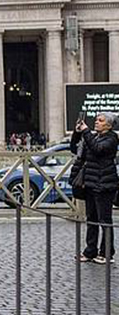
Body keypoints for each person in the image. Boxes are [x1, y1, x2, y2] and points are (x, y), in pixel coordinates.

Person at [73, 112, 119, 263]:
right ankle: (90, 251)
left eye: (100, 120)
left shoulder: (111, 139)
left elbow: (98, 149)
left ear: (109, 125)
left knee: (104, 219)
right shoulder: (94, 136)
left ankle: (106, 253)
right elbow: (76, 149)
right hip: (91, 183)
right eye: (96, 120)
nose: (96, 122)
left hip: (104, 183)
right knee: (91, 219)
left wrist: (86, 132)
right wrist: (77, 132)